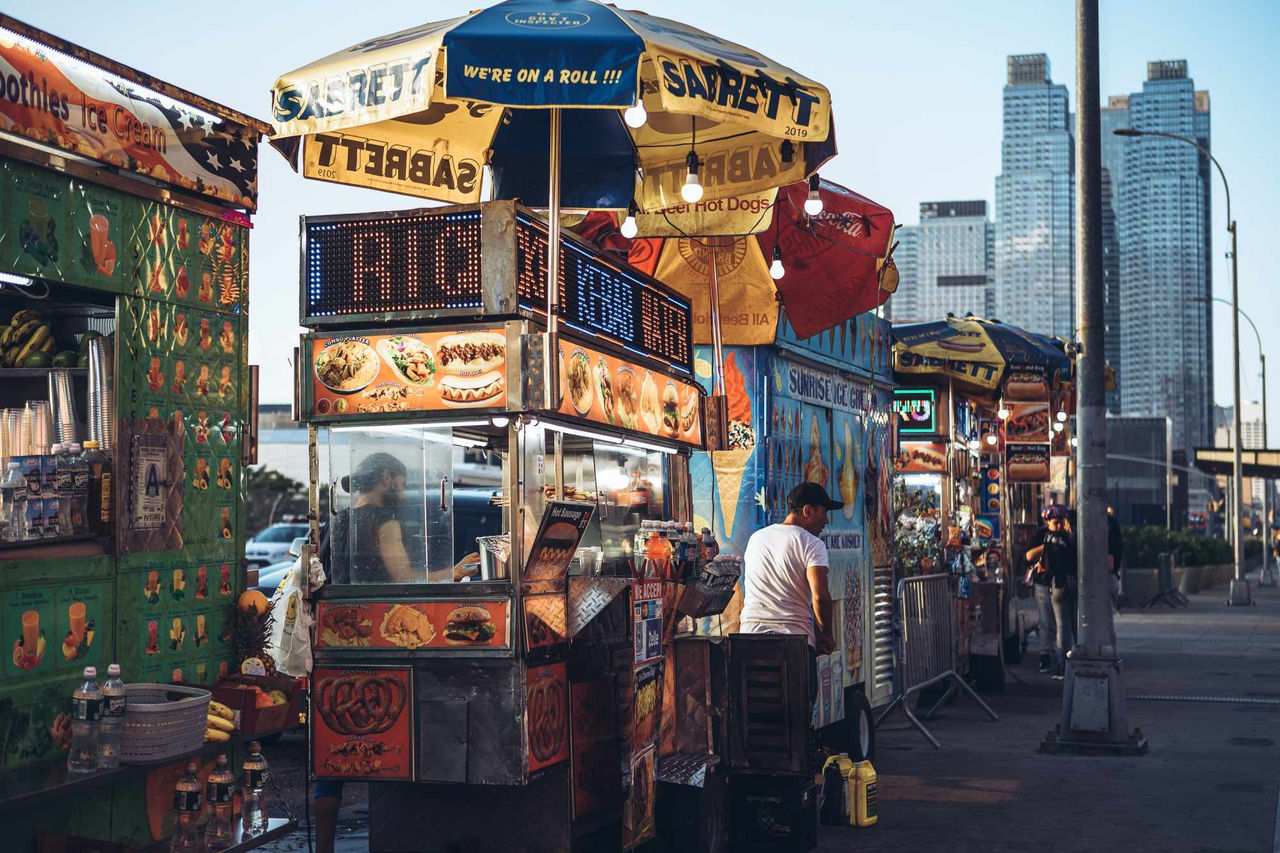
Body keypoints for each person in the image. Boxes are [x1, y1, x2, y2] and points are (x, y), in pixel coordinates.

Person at [313, 452, 413, 853]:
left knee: (333, 749)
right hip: (379, 641)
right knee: (385, 739)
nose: (403, 492)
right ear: (386, 478)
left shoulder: (334, 522)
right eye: (402, 483)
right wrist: (453, 573)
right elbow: (403, 578)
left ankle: (323, 848)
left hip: (336, 640)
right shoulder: (385, 521)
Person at [739, 482, 841, 703]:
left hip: (749, 642)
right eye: (823, 513)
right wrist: (826, 634)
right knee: (796, 723)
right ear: (807, 511)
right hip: (793, 645)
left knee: (756, 719)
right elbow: (820, 597)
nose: (826, 520)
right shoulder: (812, 544)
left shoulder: (757, 538)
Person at [1025, 504, 1077, 678]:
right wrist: (1047, 544)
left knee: (1064, 625)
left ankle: (1065, 661)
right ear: (1047, 521)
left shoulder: (1069, 537)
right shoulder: (1042, 536)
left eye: (1062, 521)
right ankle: (1046, 657)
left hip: (1059, 584)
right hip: (1045, 583)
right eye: (1055, 522)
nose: (1059, 525)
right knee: (1048, 622)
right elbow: (1029, 555)